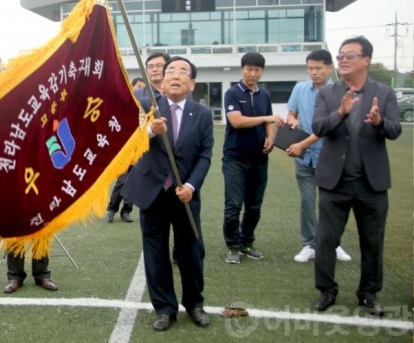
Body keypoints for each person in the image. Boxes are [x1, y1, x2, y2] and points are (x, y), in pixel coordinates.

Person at [311, 36, 401, 316]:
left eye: (349, 55)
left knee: (372, 242)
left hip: (371, 183)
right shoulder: (328, 93)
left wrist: (379, 122)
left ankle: (369, 294)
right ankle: (327, 291)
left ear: (366, 60)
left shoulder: (384, 93)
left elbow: (395, 130)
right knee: (326, 240)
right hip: (334, 182)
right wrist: (340, 113)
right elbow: (318, 126)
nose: (343, 60)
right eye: (340, 56)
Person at [122, 56, 213, 332]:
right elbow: (128, 144)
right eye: (170, 70)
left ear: (192, 83)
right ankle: (164, 308)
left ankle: (195, 304)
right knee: (155, 252)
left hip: (184, 194)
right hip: (152, 192)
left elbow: (205, 155)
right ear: (162, 81)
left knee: (191, 251)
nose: (175, 75)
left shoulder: (203, 114)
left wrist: (192, 186)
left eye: (182, 71)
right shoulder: (147, 105)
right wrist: (150, 130)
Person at [285, 50, 351, 263]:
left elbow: (328, 128)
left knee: (330, 204)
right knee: (307, 202)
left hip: (330, 157)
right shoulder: (300, 88)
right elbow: (292, 113)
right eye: (310, 68)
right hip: (304, 158)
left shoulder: (341, 93)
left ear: (330, 68)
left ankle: (334, 243)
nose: (313, 73)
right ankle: (309, 245)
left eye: (318, 68)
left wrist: (301, 143)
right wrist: (293, 121)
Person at [222, 52, 285, 264]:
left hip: (259, 159)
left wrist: (270, 136)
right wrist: (268, 118)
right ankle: (232, 245)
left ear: (262, 72)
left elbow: (269, 121)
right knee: (233, 205)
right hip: (235, 159)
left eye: (257, 70)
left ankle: (247, 242)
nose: (252, 74)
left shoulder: (264, 95)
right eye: (249, 69)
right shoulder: (232, 93)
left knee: (254, 206)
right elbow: (237, 121)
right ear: (242, 69)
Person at [104, 53, 170, 223]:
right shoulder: (138, 96)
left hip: (164, 160)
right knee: (124, 180)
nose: (155, 70)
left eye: (159, 66)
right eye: (151, 66)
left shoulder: (176, 94)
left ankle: (126, 211)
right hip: (134, 149)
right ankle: (112, 209)